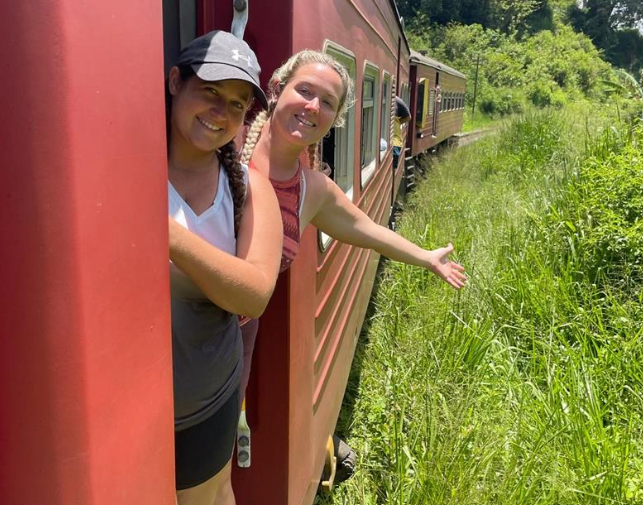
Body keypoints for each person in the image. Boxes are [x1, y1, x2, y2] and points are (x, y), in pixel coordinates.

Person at [236, 50, 467, 475]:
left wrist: (426, 257)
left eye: (327, 103)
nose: (313, 107)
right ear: (276, 89)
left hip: (233, 349)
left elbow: (368, 230)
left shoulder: (312, 190)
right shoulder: (226, 148)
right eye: (304, 91)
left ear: (335, 118)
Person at [167, 30, 282, 505]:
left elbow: (253, 293)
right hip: (128, 400)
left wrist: (169, 238)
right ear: (176, 81)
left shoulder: (250, 188)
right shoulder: (122, 164)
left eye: (237, 105)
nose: (221, 112)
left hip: (205, 398)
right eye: (210, 92)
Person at [392, 96, 411, 168]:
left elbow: (408, 117)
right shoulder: (397, 100)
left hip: (395, 140)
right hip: (396, 141)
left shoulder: (397, 100)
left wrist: (397, 122)